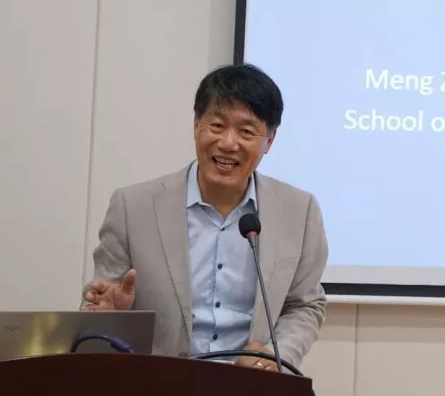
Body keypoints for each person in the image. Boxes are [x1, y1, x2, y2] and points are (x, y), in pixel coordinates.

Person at [81, 64, 328, 371]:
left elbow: (304, 304)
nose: (228, 143)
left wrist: (272, 358)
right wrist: (109, 318)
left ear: (269, 140)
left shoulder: (299, 211)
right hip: (157, 382)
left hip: (251, 383)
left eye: (246, 131)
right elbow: (102, 305)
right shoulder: (132, 207)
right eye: (217, 125)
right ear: (196, 125)